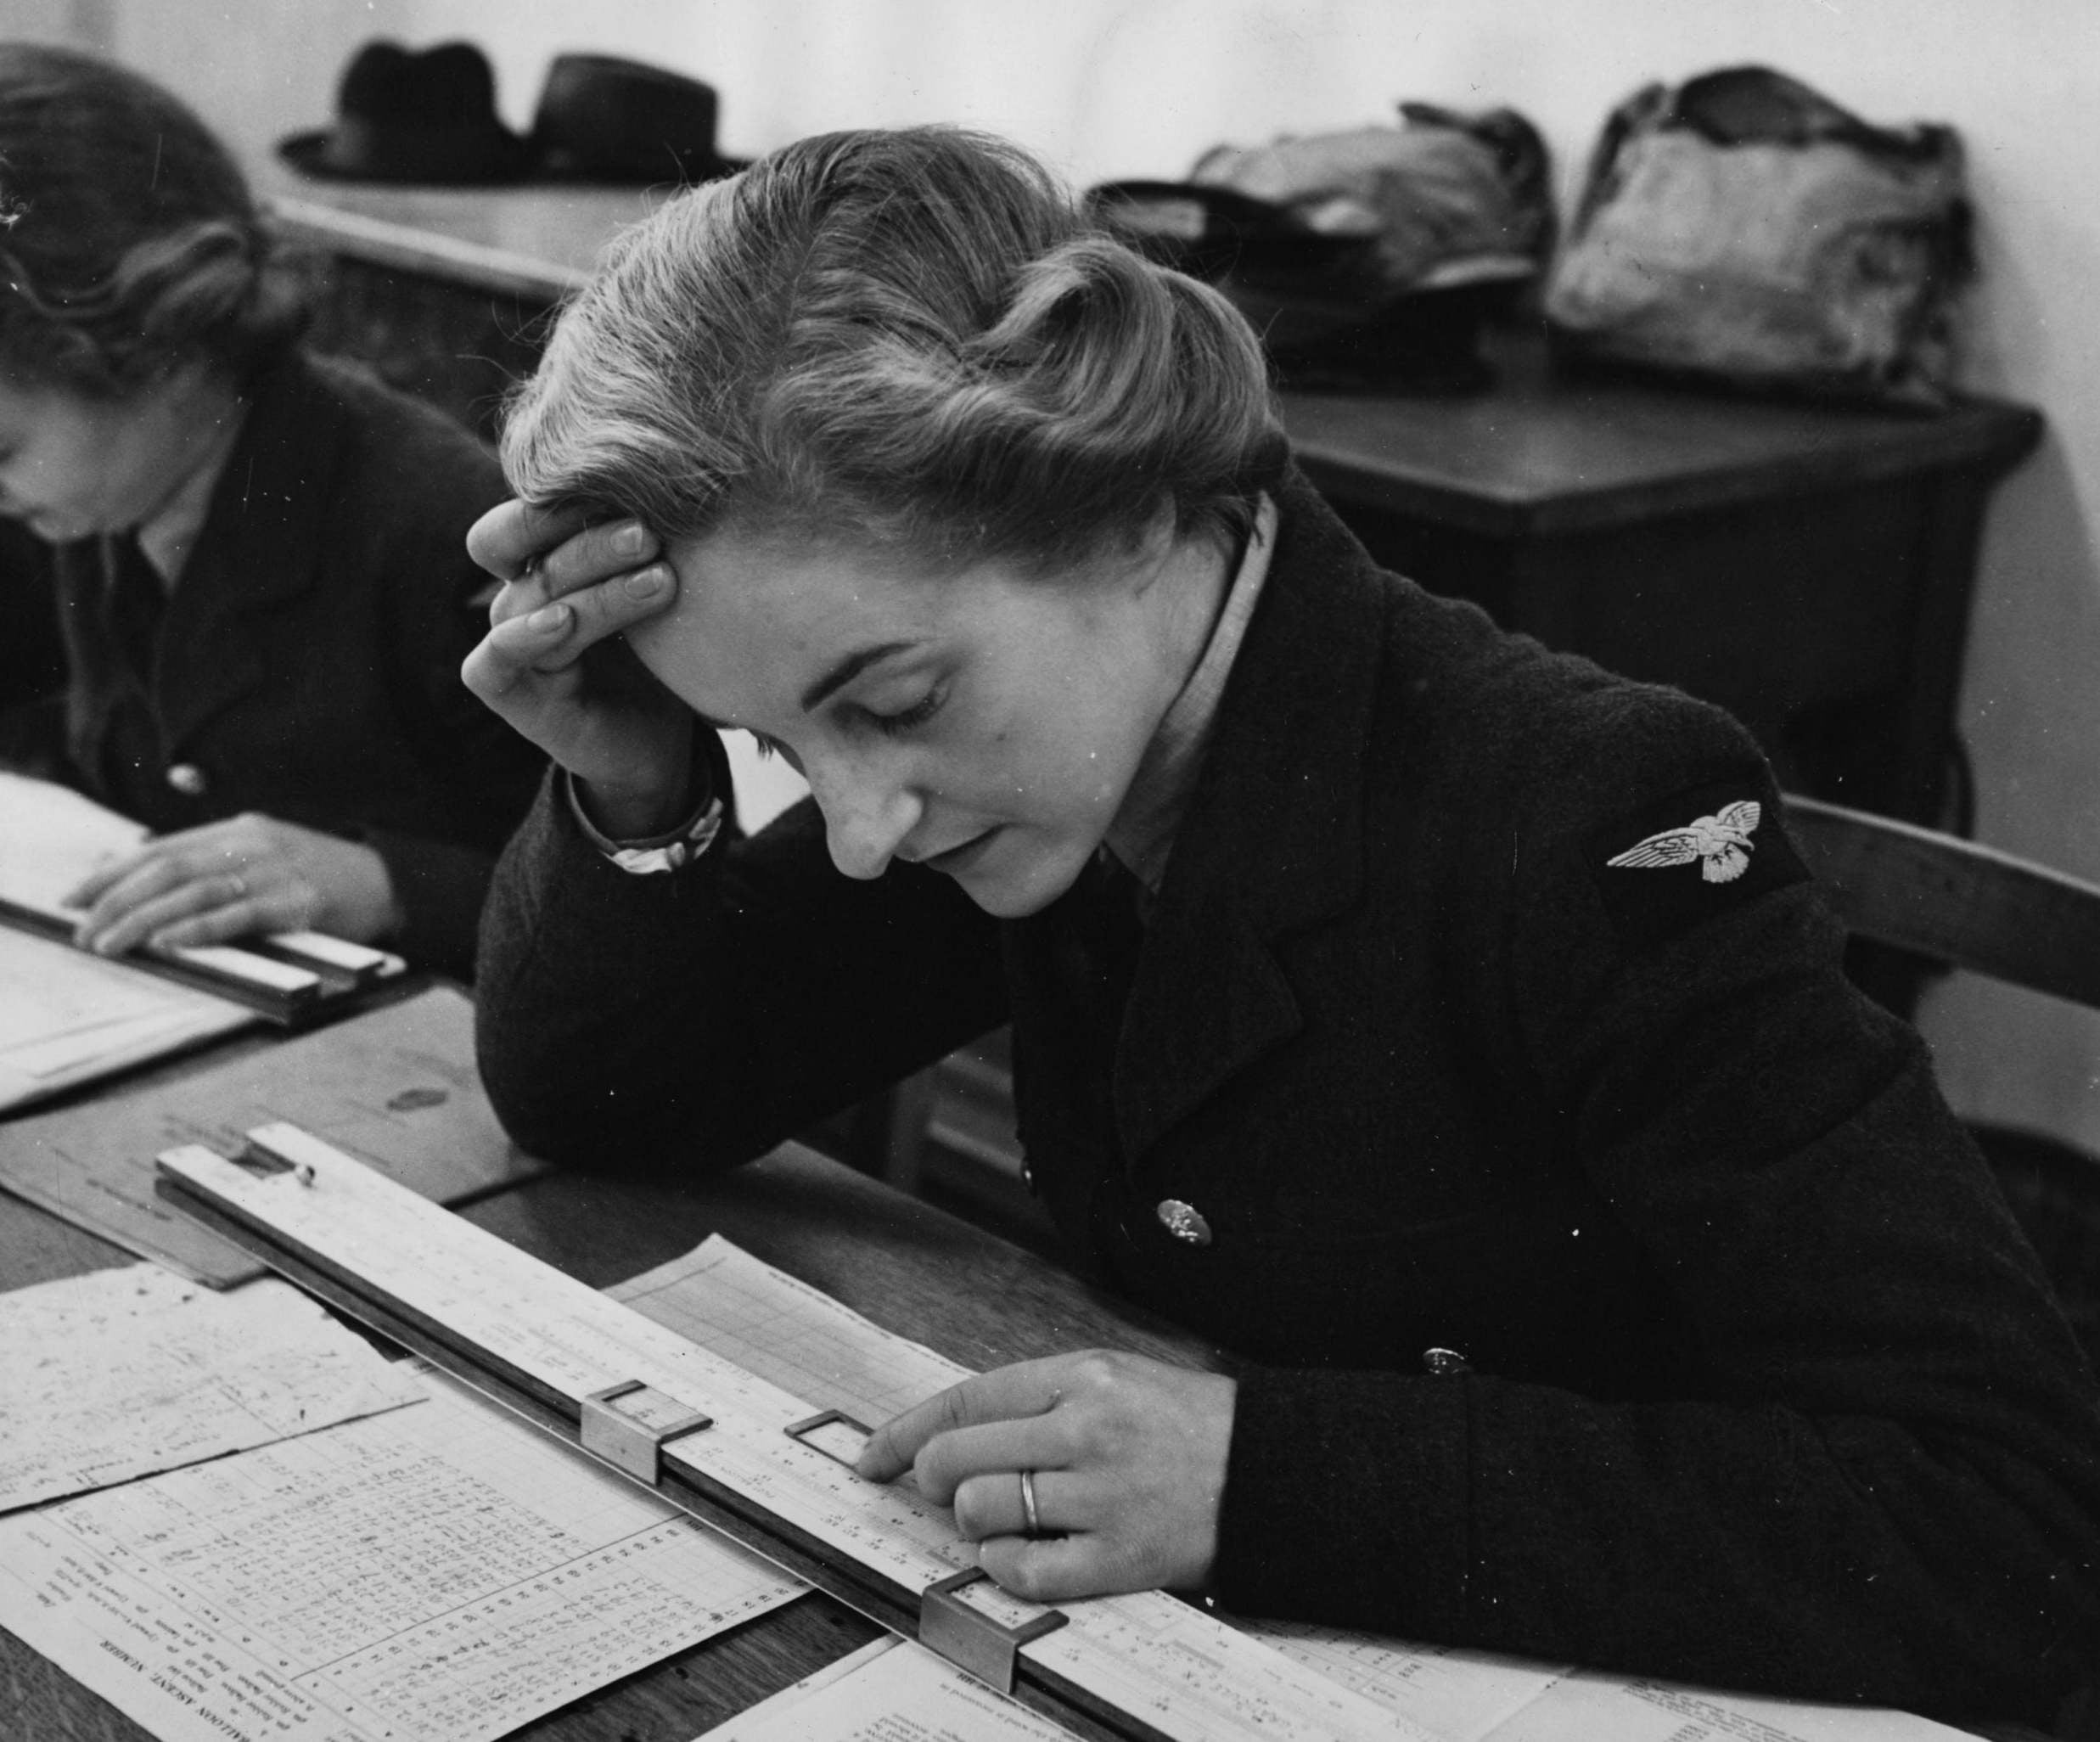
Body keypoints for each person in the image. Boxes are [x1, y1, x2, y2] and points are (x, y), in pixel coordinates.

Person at [460, 126, 2100, 1727]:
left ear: (1118, 508)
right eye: (777, 748)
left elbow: (2010, 1526)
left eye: (889, 699)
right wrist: (632, 783)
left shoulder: (1584, 817)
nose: (861, 827)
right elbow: (605, 1100)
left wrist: (1263, 1473)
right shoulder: (1056, 741)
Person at [0, 44, 545, 977]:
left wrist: (383, 884)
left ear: (158, 344)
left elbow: (662, 918)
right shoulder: (89, 489)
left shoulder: (447, 534)